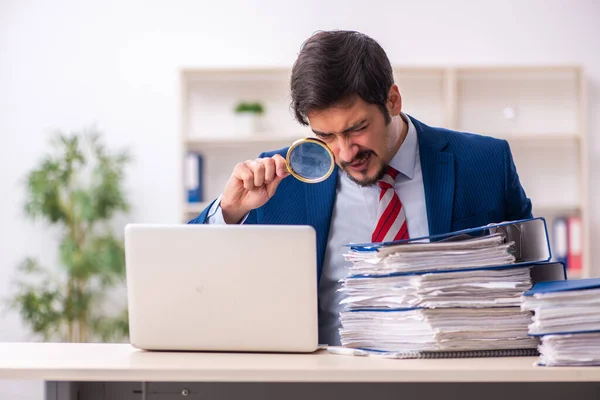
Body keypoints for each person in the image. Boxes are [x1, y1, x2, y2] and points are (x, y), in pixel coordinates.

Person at [188, 30, 533, 346]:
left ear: (393, 101)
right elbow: (195, 282)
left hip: (455, 378)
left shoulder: (485, 162)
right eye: (326, 136)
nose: (344, 152)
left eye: (357, 128)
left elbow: (535, 276)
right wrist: (230, 213)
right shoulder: (281, 181)